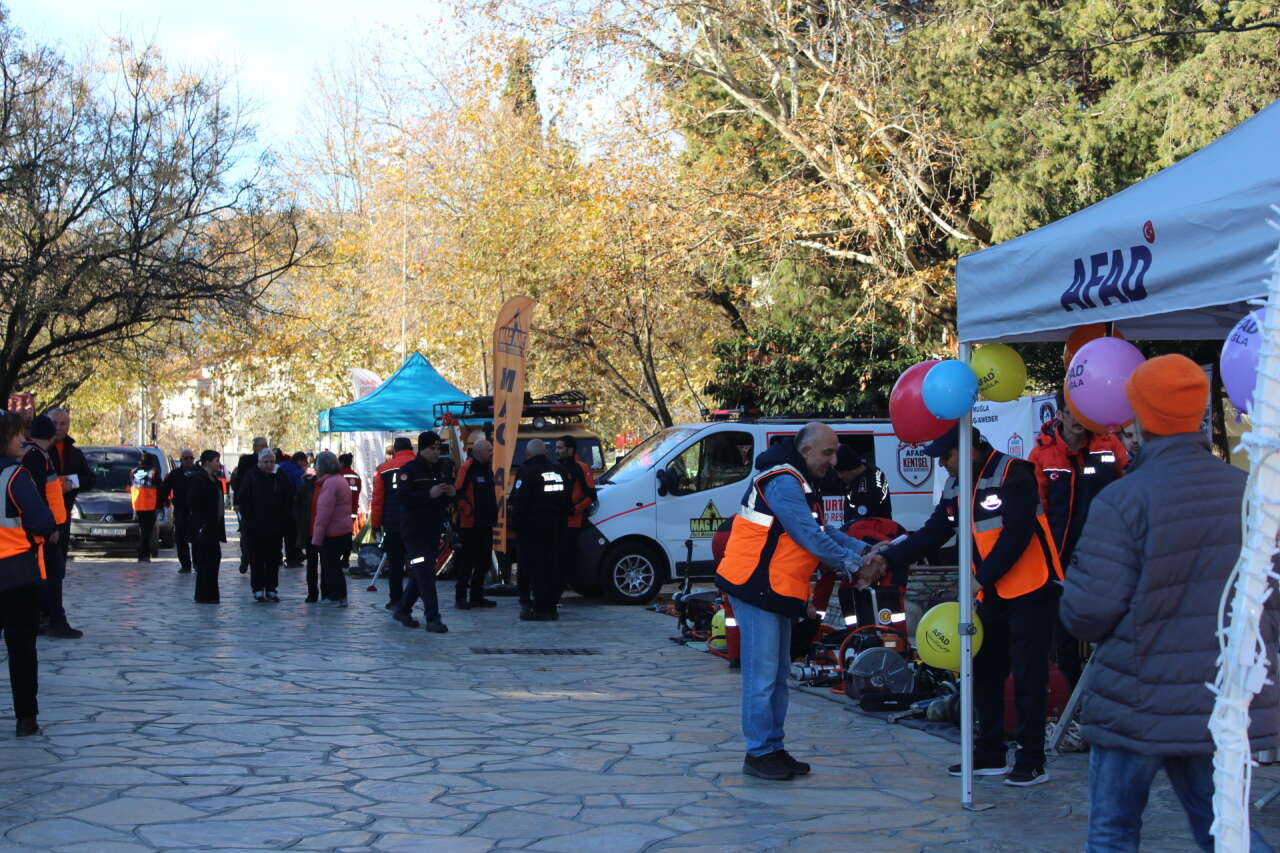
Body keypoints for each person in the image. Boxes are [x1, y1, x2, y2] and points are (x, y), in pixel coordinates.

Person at [1061, 355, 1278, 852]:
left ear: (1139, 417)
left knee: (1114, 831)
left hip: (1139, 698)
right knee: (1228, 831)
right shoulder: (1250, 493)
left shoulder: (1124, 500)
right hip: (1222, 693)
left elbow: (1087, 612)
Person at [863, 425, 1062, 786]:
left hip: (1031, 591)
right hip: (991, 595)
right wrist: (889, 559)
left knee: (1029, 675)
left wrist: (980, 579)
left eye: (946, 456)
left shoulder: (1014, 473)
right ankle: (989, 753)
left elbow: (1016, 536)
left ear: (968, 449)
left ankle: (1032, 759)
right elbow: (932, 533)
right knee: (983, 672)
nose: (942, 465)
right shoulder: (956, 484)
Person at [715, 423, 869, 781]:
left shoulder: (799, 479)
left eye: (836, 452)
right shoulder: (784, 481)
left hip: (774, 589)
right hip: (756, 588)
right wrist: (856, 563)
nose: (834, 460)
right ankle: (759, 753)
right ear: (806, 451)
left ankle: (773, 748)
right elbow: (807, 536)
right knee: (763, 676)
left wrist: (864, 548)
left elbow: (821, 531)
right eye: (827, 452)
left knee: (778, 675)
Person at [1027, 391, 1128, 688]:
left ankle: (1109, 688)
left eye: (1083, 413)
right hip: (1061, 559)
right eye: (1071, 413)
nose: (1077, 420)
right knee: (1064, 631)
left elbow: (1129, 487)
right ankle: (1068, 695)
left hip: (1106, 554)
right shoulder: (1043, 454)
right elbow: (1037, 509)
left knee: (1110, 623)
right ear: (1059, 415)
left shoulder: (1109, 445)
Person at [0, 409, 57, 736]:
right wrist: (45, 530)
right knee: (21, 650)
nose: (22, 440)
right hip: (15, 574)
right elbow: (39, 519)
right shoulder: (14, 477)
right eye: (16, 434)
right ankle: (26, 717)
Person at [392, 432, 454, 633]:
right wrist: (428, 494)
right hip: (414, 531)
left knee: (423, 573)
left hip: (433, 529)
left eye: (438, 449)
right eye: (432, 448)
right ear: (422, 449)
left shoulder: (439, 469)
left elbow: (442, 500)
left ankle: (403, 608)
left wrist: (451, 495)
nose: (436, 452)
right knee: (426, 573)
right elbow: (402, 498)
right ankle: (433, 618)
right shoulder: (408, 471)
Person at [20, 415, 75, 640]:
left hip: (49, 525)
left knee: (50, 575)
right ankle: (55, 621)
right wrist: (49, 527)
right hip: (45, 530)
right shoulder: (36, 457)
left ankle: (44, 619)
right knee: (53, 575)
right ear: (51, 435)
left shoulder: (36, 455)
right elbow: (39, 495)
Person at [509, 438, 568, 621]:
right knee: (553, 567)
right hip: (556, 527)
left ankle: (534, 606)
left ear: (528, 454)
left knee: (532, 568)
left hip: (531, 530)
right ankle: (550, 606)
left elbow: (519, 503)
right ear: (546, 453)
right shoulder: (559, 471)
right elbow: (567, 500)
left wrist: (516, 527)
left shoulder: (527, 472)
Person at [237, 448, 294, 603]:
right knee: (256, 559)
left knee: (273, 559)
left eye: (271, 461)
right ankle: (257, 589)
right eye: (266, 462)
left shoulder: (279, 476)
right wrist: (249, 520)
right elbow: (243, 499)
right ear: (259, 462)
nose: (269, 465)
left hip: (275, 526)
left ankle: (271, 588)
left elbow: (288, 497)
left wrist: (283, 519)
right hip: (255, 527)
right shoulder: (251, 476)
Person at [372, 437, 417, 611]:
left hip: (393, 524)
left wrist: (376, 523)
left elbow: (377, 500)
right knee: (416, 562)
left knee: (395, 564)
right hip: (414, 523)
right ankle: (411, 597)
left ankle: (395, 599)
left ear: (395, 451)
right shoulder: (418, 464)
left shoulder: (384, 469)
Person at [453, 438, 498, 609]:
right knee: (467, 561)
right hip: (470, 523)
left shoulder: (487, 469)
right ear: (479, 452)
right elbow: (458, 492)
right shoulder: (467, 468)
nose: (492, 453)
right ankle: (461, 597)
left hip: (485, 522)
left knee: (484, 561)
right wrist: (467, 510)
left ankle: (477, 595)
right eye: (489, 450)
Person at [555, 435, 596, 606]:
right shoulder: (556, 467)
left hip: (573, 521)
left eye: (560, 448)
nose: (557, 451)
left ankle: (562, 590)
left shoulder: (581, 467)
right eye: (556, 448)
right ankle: (556, 592)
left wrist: (575, 510)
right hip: (557, 520)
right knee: (557, 558)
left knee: (566, 558)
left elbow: (591, 495)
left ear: (571, 449)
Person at [310, 451, 351, 607]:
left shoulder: (330, 484)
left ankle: (337, 597)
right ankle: (334, 596)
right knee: (333, 566)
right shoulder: (339, 481)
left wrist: (317, 538)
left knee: (331, 567)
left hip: (333, 533)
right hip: (343, 531)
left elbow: (323, 514)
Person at [191, 450, 226, 604]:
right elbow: (194, 502)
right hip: (204, 527)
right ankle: (203, 595)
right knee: (206, 561)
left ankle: (212, 594)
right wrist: (201, 523)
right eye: (216, 461)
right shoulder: (198, 479)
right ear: (207, 462)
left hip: (214, 526)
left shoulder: (215, 480)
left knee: (214, 559)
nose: (219, 464)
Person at [230, 437, 268, 573]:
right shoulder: (246, 461)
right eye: (261, 446)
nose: (264, 448)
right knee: (246, 532)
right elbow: (239, 481)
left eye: (266, 446)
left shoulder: (271, 462)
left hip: (265, 506)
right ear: (255, 448)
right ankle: (246, 557)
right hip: (247, 504)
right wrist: (236, 502)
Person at [161, 449, 198, 574]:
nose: (188, 460)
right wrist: (164, 502)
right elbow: (164, 489)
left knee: (197, 539)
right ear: (181, 460)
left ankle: (197, 564)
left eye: (190, 458)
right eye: (185, 458)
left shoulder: (199, 473)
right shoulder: (174, 474)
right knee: (181, 539)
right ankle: (185, 565)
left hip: (196, 511)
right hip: (181, 510)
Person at [834, 445, 892, 521]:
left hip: (871, 530)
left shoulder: (863, 492)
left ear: (852, 468)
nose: (840, 476)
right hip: (882, 526)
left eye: (841, 472)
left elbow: (861, 525)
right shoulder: (873, 469)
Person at [293, 466, 321, 602]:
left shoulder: (330, 485)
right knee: (312, 563)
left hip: (327, 532)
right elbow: (297, 505)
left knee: (326, 564)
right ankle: (312, 592)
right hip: (310, 530)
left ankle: (327, 591)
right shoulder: (307, 486)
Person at [128, 452, 162, 562]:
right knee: (147, 531)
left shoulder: (132, 471)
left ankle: (143, 554)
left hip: (136, 505)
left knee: (143, 530)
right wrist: (161, 504)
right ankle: (143, 555)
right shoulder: (154, 472)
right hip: (149, 505)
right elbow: (160, 488)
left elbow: (129, 487)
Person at [337, 453, 361, 571]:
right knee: (347, 534)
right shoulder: (356, 477)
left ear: (341, 463)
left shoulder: (339, 476)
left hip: (339, 512)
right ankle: (346, 559)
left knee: (338, 535)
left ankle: (338, 557)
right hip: (352, 512)